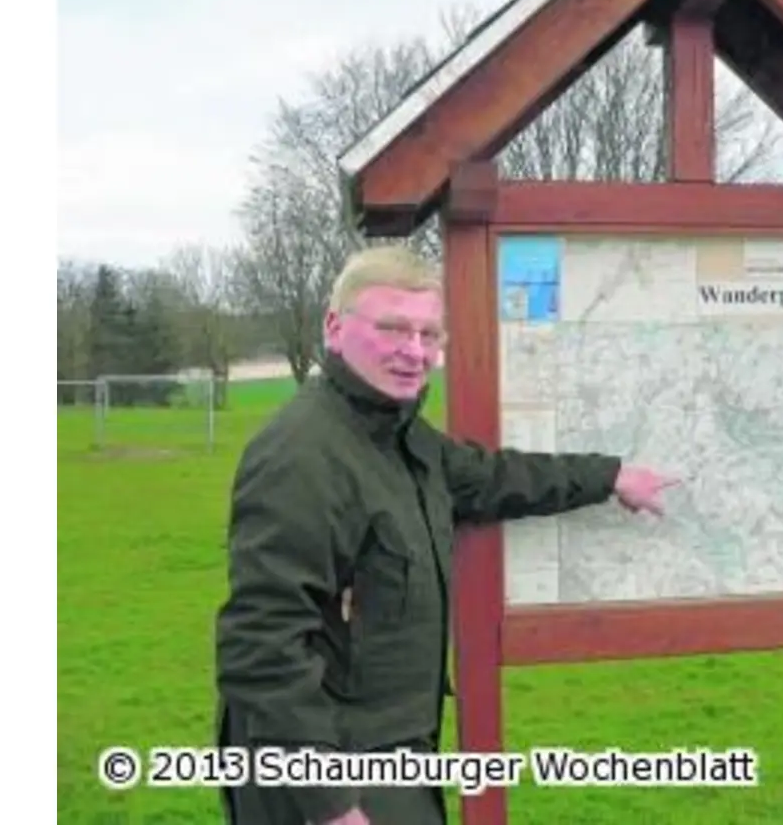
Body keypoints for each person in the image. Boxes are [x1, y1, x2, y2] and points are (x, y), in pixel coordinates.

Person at [214, 245, 678, 825]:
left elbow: (497, 476)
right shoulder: (303, 455)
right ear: (335, 328)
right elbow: (261, 645)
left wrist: (611, 476)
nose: (414, 351)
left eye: (429, 335)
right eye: (392, 328)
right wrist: (329, 805)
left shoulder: (404, 441)